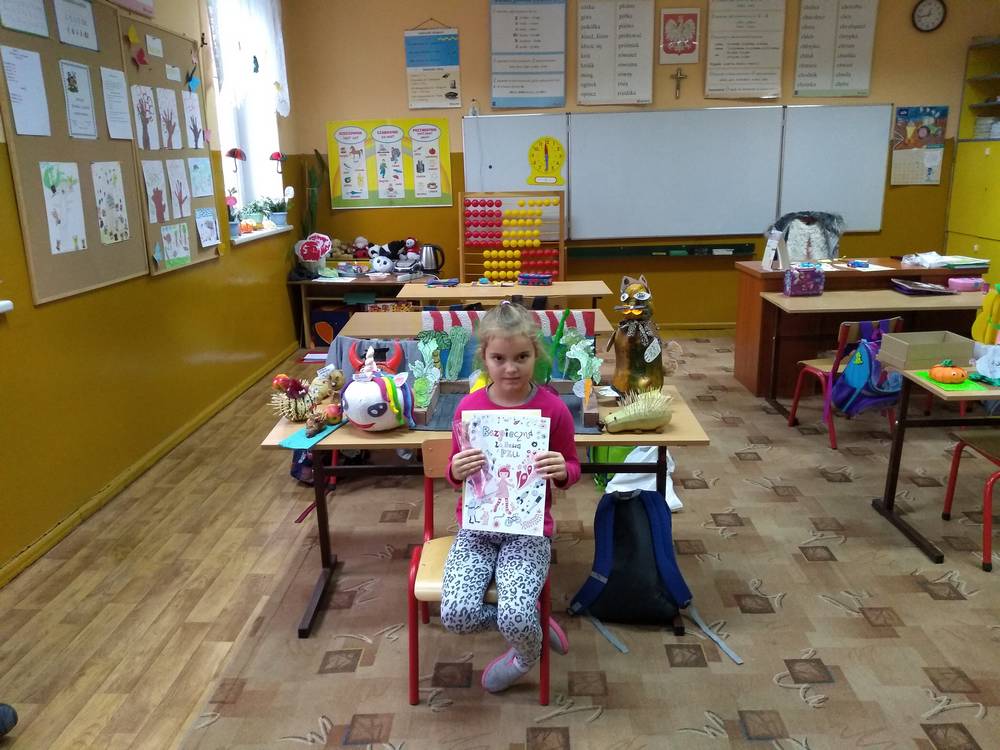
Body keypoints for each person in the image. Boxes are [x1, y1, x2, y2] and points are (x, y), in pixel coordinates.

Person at [441, 301, 581, 693]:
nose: (510, 368)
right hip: (477, 530)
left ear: (536, 353)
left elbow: (572, 467)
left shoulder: (553, 410)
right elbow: (454, 470)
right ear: (484, 357)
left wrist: (562, 469)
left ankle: (524, 655)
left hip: (528, 532)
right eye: (499, 358)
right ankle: (532, 625)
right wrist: (456, 469)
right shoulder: (469, 408)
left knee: (515, 613)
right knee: (455, 614)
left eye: (521, 357)